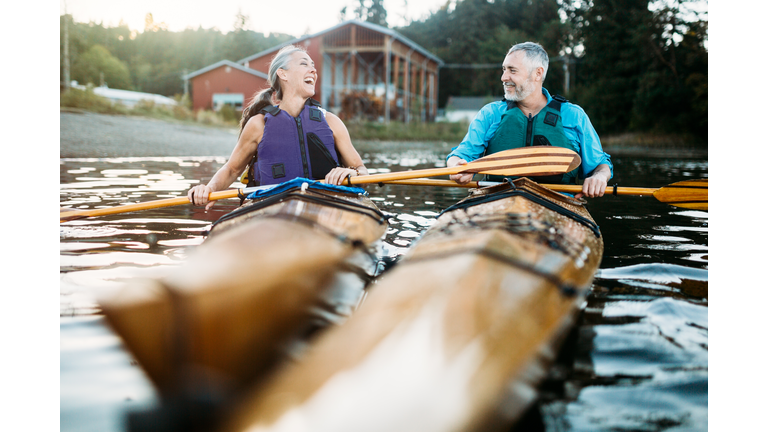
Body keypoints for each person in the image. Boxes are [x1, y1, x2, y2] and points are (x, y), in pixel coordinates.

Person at [188, 44, 368, 210]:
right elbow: (232, 169)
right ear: (283, 74)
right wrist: (209, 188)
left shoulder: (330, 121)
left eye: (313, 66)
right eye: (304, 64)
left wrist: (351, 172)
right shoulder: (259, 124)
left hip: (327, 205)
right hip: (272, 207)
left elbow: (362, 172)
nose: (313, 70)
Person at [447, 42, 613, 199]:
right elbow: (460, 156)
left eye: (512, 70)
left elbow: (600, 165)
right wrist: (456, 167)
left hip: (558, 202)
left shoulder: (574, 115)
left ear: (538, 73)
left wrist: (600, 176)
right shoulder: (490, 114)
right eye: (504, 69)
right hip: (497, 200)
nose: (504, 77)